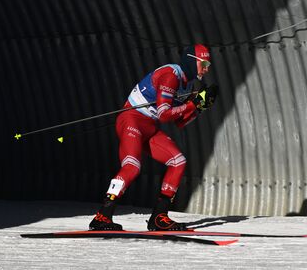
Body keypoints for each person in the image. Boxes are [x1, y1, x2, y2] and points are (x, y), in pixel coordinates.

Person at [89, 44, 218, 231]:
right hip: (132, 119)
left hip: (149, 126)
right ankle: (102, 216)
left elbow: (179, 122)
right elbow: (164, 114)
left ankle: (159, 216)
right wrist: (193, 104)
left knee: (178, 161)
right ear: (192, 61)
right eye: (203, 63)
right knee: (132, 167)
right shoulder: (171, 76)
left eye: (209, 64)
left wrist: (200, 108)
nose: (207, 68)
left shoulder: (187, 83)